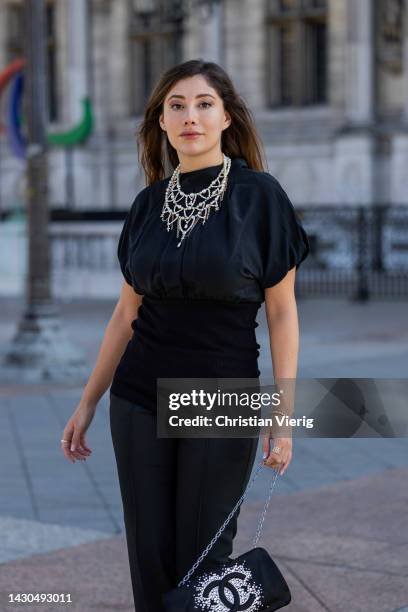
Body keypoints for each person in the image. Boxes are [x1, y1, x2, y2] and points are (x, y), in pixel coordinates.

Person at [60, 58, 310, 612]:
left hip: (218, 397)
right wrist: (87, 402)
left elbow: (283, 314)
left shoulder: (260, 198)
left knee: (203, 564)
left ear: (226, 119)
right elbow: (126, 314)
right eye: (176, 106)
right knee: (149, 558)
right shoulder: (148, 204)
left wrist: (283, 415)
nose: (189, 116)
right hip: (136, 398)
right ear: (161, 123)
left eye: (203, 104)